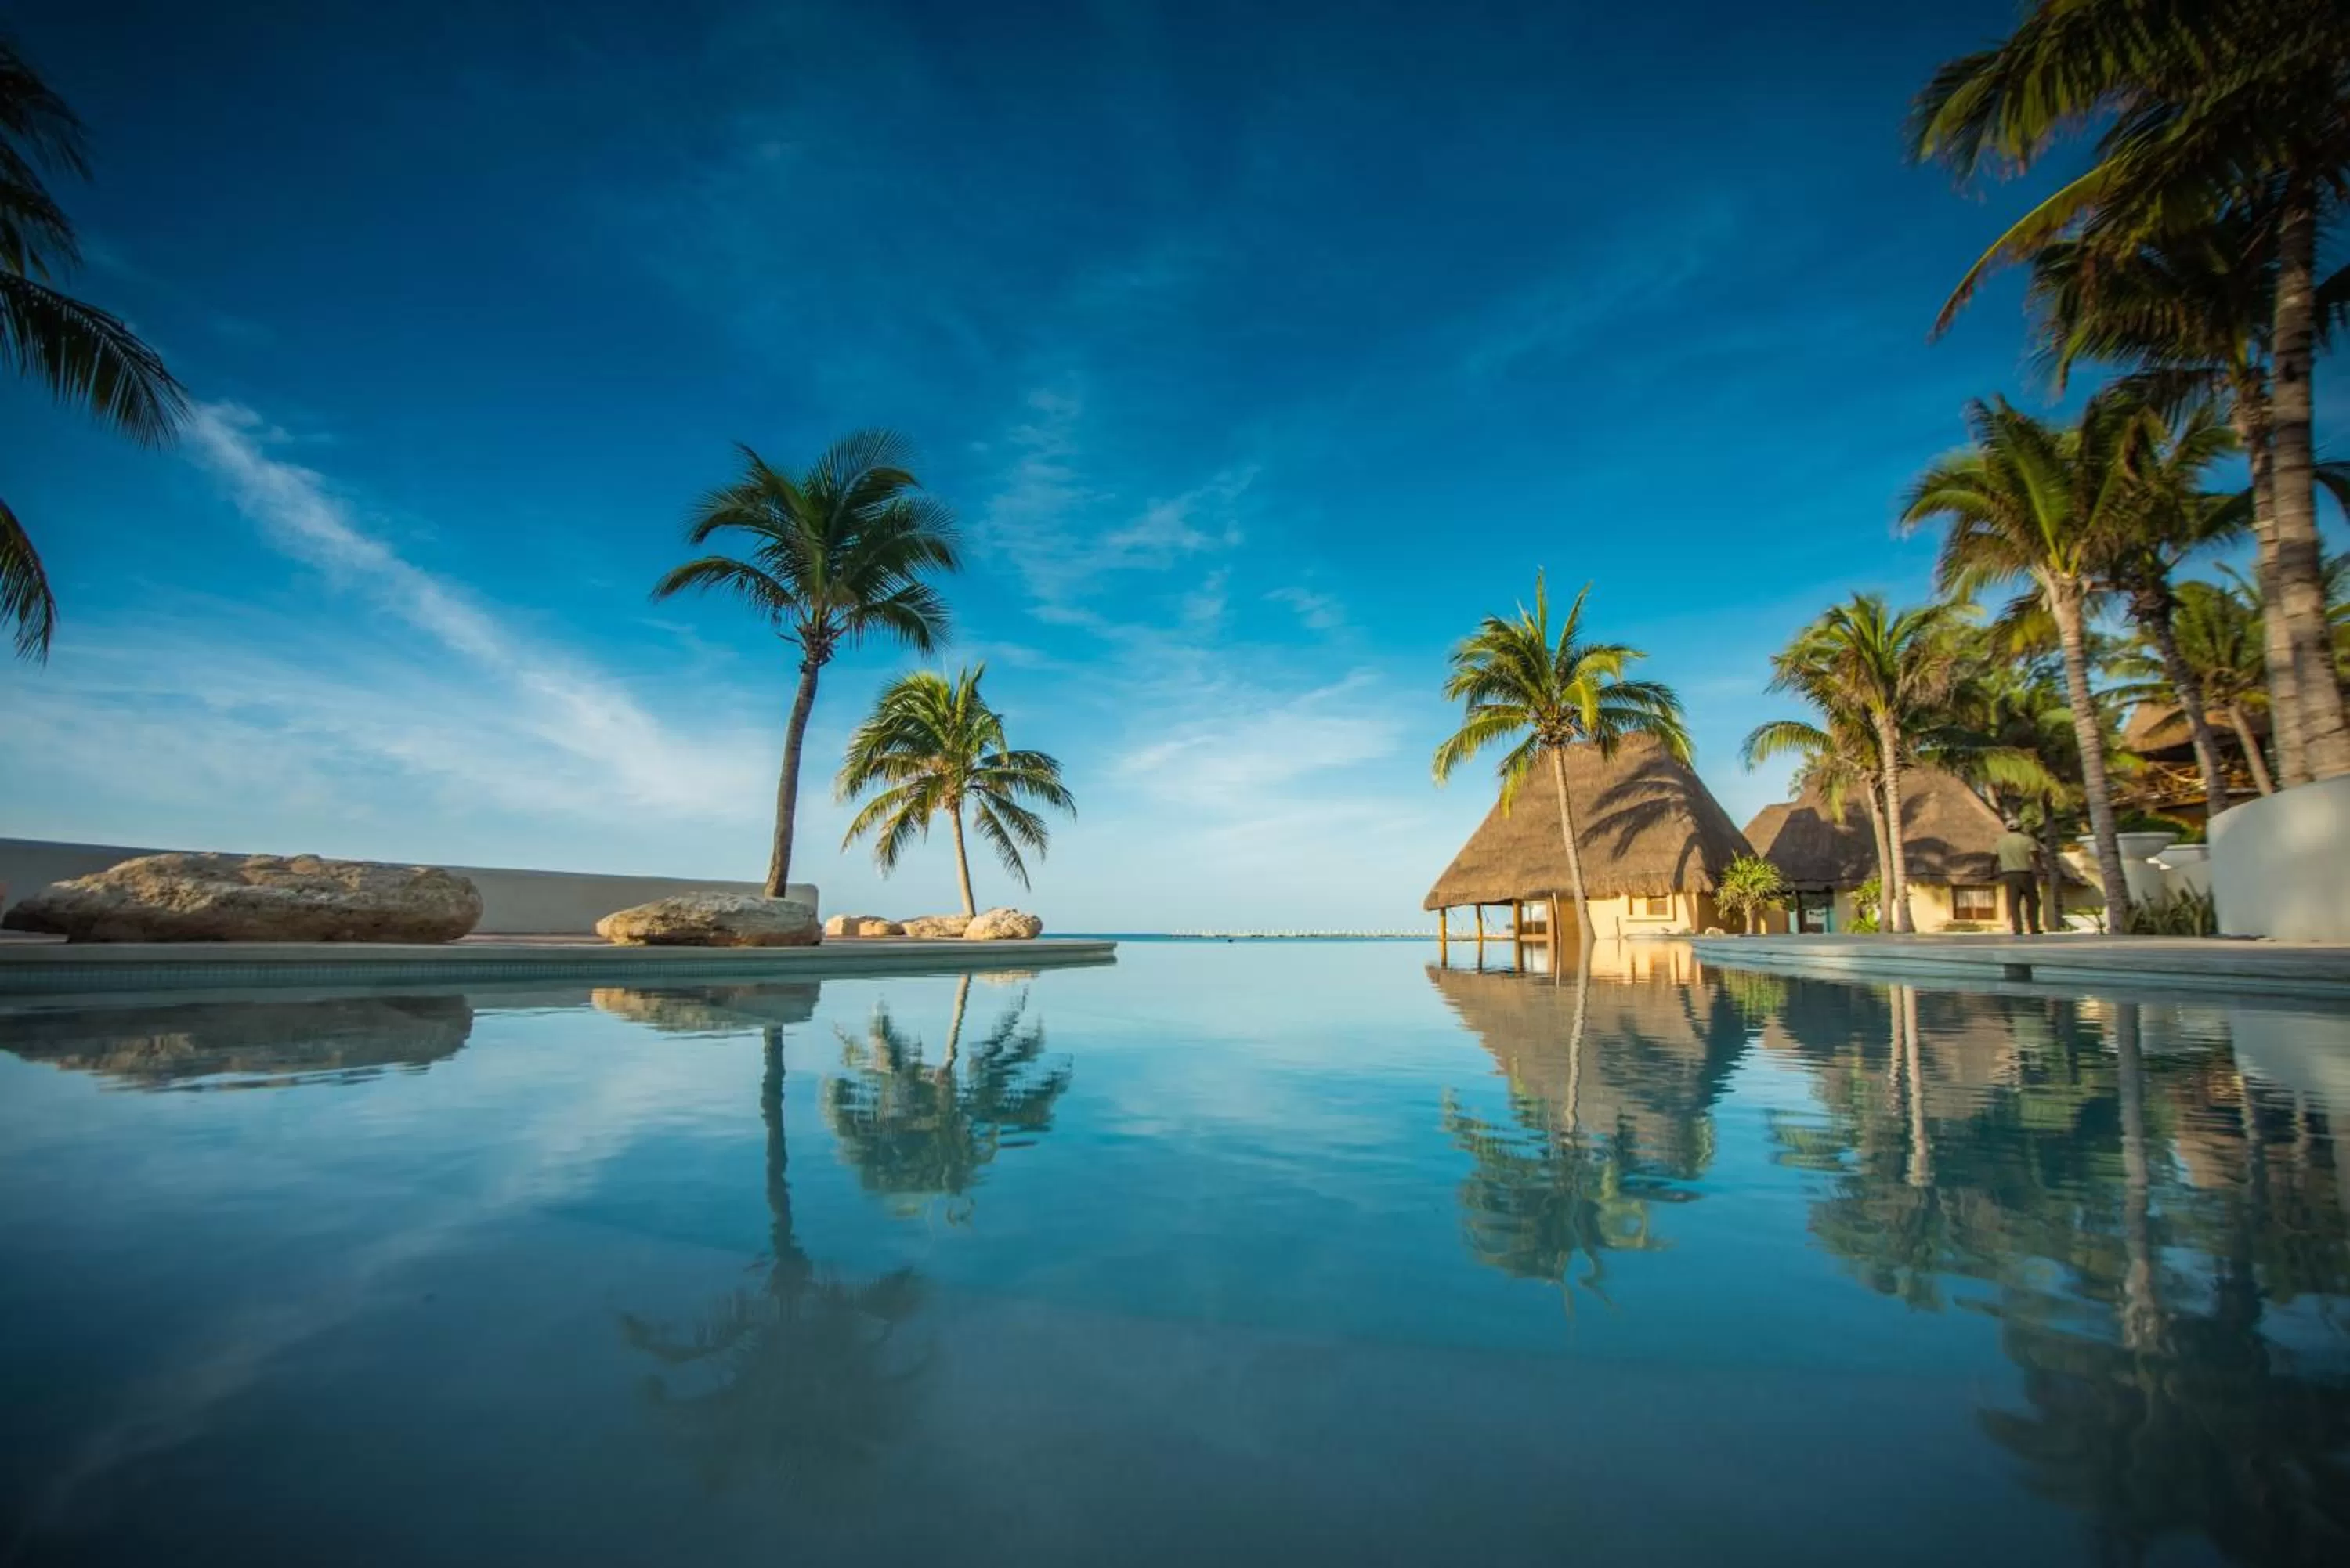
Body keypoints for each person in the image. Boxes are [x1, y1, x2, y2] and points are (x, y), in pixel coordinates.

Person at [1994, 818, 2043, 935]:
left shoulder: (2000, 842)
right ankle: (2033, 927)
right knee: (2033, 902)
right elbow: (2036, 857)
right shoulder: (2028, 841)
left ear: (2007, 829)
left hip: (2009, 875)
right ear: (2021, 828)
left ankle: (2017, 928)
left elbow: (1994, 858)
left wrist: (1991, 872)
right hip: (2026, 874)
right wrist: (2040, 870)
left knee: (2013, 903)